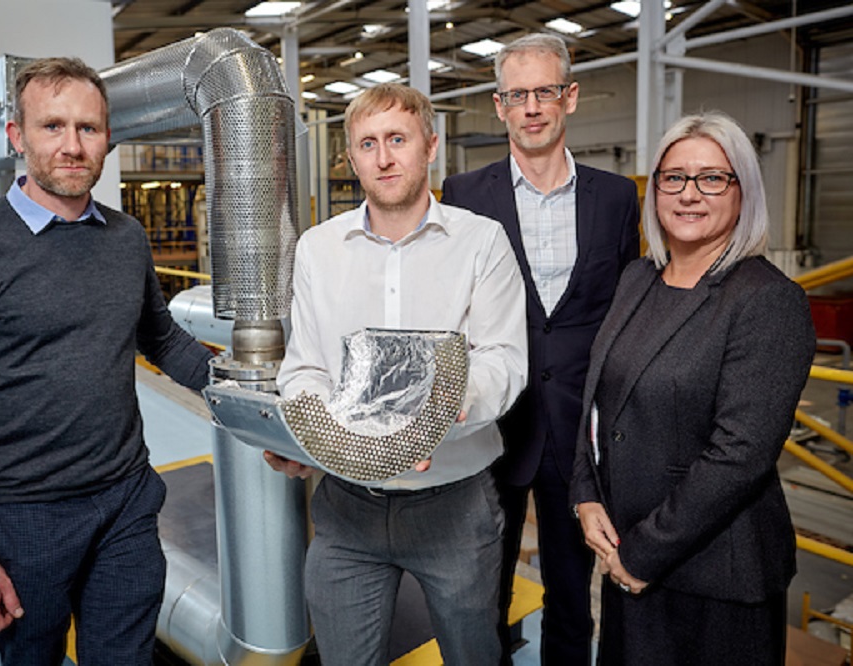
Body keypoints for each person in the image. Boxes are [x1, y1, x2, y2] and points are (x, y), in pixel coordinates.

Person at [0, 57, 213, 665]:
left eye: (89, 128)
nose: (72, 146)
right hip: (24, 519)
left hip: (126, 501)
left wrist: (250, 393)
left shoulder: (126, 238)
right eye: (53, 127)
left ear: (108, 138)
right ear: (17, 138)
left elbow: (163, 339)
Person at [264, 83, 529, 665]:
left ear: (429, 146)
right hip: (346, 510)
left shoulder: (481, 243)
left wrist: (436, 416)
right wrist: (306, 433)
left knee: (474, 657)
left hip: (453, 506)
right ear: (352, 157)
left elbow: (503, 362)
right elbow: (304, 367)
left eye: (398, 140)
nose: (384, 157)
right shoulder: (317, 249)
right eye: (368, 144)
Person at [570, 111, 816, 665]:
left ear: (742, 190)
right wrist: (584, 494)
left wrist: (642, 555)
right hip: (626, 556)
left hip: (714, 576)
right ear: (654, 188)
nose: (689, 194)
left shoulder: (766, 300)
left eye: (711, 178)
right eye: (673, 177)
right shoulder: (638, 278)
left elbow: (740, 454)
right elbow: (597, 399)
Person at [441, 32, 640, 665]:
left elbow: (629, 315)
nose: (531, 107)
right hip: (492, 427)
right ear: (499, 106)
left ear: (570, 97)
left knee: (572, 600)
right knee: (480, 595)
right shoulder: (465, 193)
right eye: (516, 95)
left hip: (580, 434)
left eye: (545, 92)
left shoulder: (615, 198)